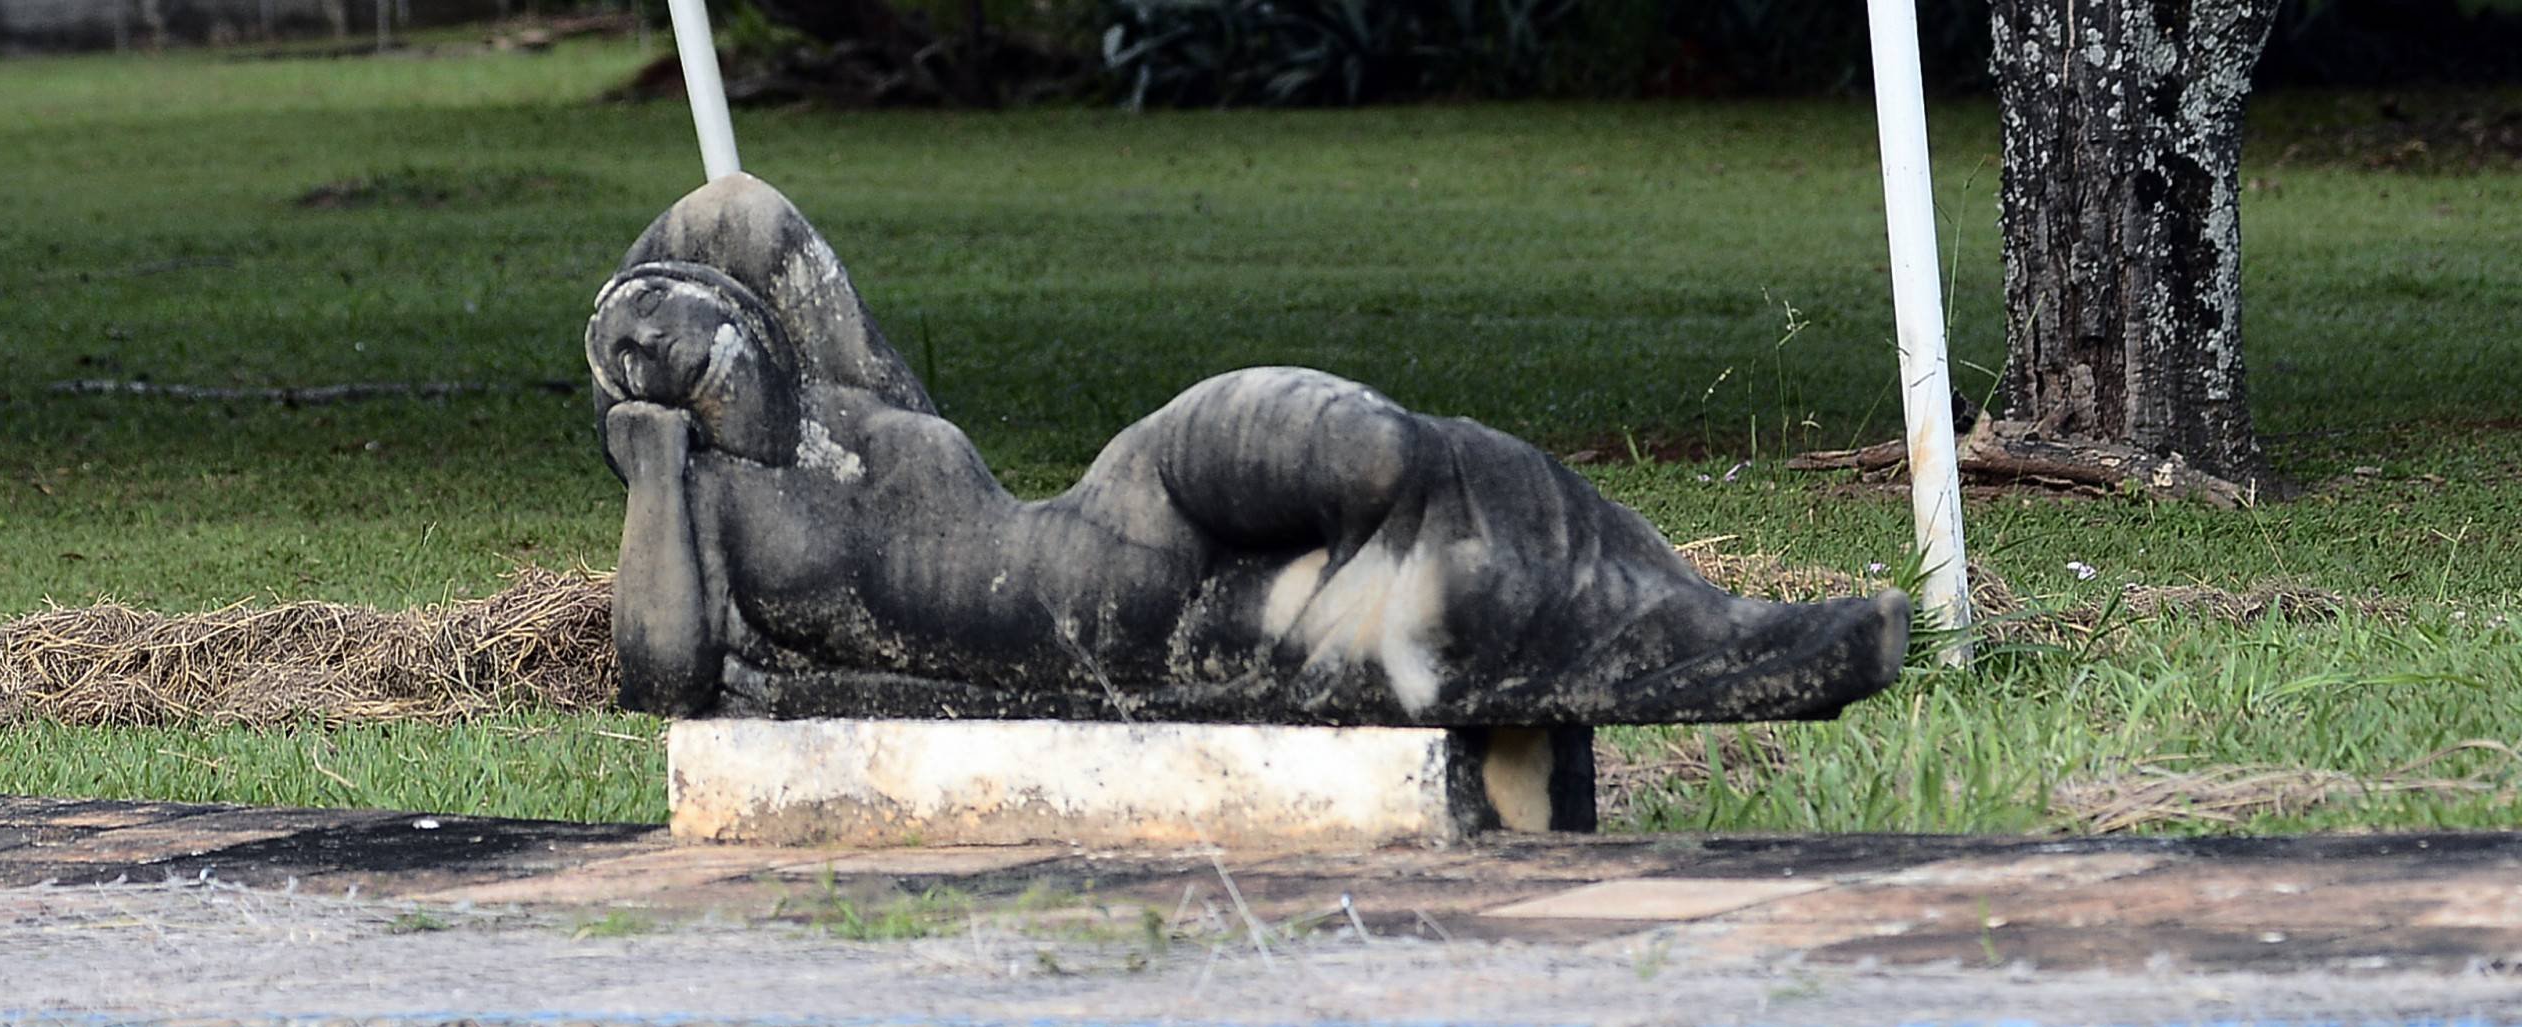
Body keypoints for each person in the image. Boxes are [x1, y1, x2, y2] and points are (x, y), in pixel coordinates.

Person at [591, 174, 1908, 728]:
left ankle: (1705, 599)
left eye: (661, 314)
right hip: (1118, 622)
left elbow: (740, 212)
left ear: (733, 311)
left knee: (1387, 453)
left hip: (1124, 496)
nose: (658, 348)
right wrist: (647, 457)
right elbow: (659, 682)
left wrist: (651, 273)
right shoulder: (707, 505)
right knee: (1423, 597)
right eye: (631, 362)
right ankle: (1730, 656)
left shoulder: (847, 401)